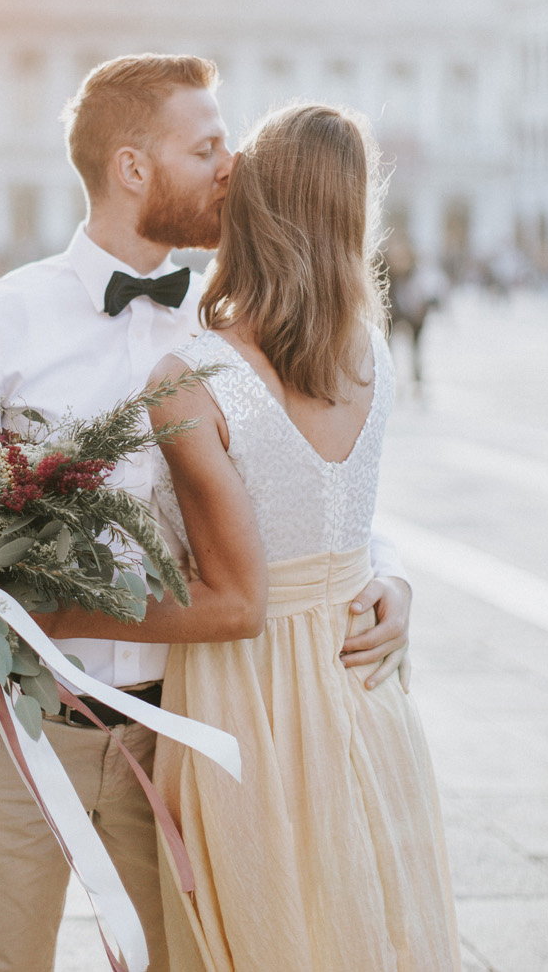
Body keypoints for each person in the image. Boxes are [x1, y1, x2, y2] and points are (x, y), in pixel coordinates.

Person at [0, 57, 413, 972]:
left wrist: (383, 569)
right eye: (207, 147)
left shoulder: (245, 321)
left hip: (184, 725)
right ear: (132, 168)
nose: (232, 166)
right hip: (20, 725)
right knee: (1, 958)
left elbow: (307, 476)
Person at [45, 102, 460, 970]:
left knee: (263, 930)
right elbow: (333, 518)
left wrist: (54, 612)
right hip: (365, 686)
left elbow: (235, 603)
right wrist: (396, 577)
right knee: (369, 921)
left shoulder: (190, 379)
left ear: (247, 206)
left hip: (252, 700)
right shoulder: (369, 356)